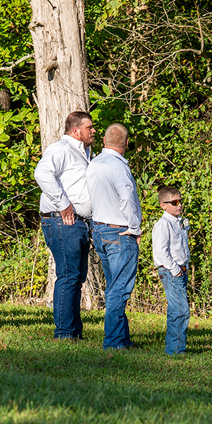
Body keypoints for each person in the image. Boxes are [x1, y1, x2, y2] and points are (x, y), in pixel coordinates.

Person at [34, 111, 96, 340]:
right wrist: (64, 205)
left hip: (79, 223)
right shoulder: (61, 149)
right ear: (76, 131)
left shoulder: (85, 153)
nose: (94, 131)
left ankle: (74, 331)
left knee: (77, 277)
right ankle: (64, 332)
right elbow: (42, 173)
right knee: (68, 275)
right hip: (63, 220)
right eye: (89, 127)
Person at [87, 123, 142, 350]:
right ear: (127, 143)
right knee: (119, 289)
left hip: (99, 228)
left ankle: (122, 338)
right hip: (120, 231)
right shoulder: (119, 166)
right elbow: (126, 198)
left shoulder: (94, 164)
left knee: (114, 286)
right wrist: (134, 227)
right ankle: (113, 342)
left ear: (104, 140)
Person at [152, 185, 191, 356]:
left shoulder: (179, 222)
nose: (179, 205)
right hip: (170, 271)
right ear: (163, 205)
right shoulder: (163, 225)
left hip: (181, 269)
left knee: (177, 309)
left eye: (180, 201)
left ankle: (174, 347)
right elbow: (161, 251)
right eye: (174, 202)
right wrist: (175, 270)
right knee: (181, 310)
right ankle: (175, 350)